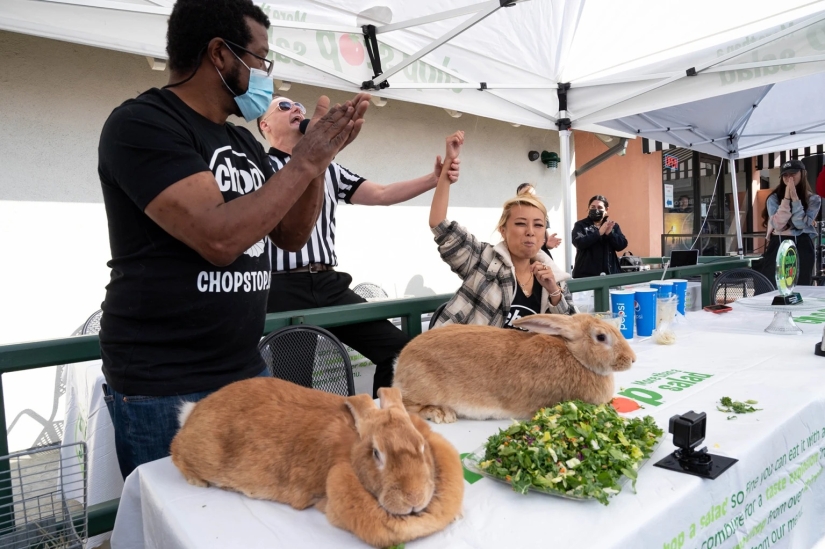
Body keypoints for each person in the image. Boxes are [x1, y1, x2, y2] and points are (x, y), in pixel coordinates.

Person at [97, 0, 370, 478]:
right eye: (261, 58)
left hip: (245, 369)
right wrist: (304, 160)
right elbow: (219, 240)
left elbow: (291, 234)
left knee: (257, 508)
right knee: (180, 515)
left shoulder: (243, 141)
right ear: (220, 54)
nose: (266, 73)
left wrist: (318, 162)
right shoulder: (144, 124)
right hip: (165, 385)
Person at [258, 97, 460, 397]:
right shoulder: (259, 166)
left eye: (299, 105)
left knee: (398, 352)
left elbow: (381, 193)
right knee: (295, 383)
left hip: (328, 282)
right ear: (265, 125)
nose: (297, 109)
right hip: (283, 286)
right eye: (284, 106)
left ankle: (384, 418)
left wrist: (434, 178)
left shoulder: (330, 169)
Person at [429, 132, 575, 329]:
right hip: (471, 348)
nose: (530, 232)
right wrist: (448, 165)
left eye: (538, 225)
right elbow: (439, 224)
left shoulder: (553, 276)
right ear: (503, 230)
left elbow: (573, 329)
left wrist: (553, 291)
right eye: (521, 223)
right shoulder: (483, 259)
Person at [761, 159, 820, 285]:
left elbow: (800, 224)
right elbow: (778, 225)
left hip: (803, 244)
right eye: (785, 175)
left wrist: (795, 199)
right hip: (778, 242)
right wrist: (787, 198)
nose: (789, 178)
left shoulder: (813, 199)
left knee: (801, 283)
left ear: (802, 174)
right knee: (773, 284)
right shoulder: (773, 198)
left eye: (793, 174)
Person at [571, 195, 628, 278]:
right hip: (586, 276)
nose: (596, 210)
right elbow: (578, 243)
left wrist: (610, 234)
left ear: (606, 210)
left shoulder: (612, 226)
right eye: (593, 207)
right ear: (588, 208)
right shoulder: (580, 225)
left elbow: (622, 245)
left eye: (600, 207)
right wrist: (598, 233)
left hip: (610, 274)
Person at [515, 183, 562, 257]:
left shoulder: (541, 212)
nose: (530, 198)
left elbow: (546, 235)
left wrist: (548, 244)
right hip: (521, 256)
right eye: (526, 194)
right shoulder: (512, 212)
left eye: (533, 195)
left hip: (541, 255)